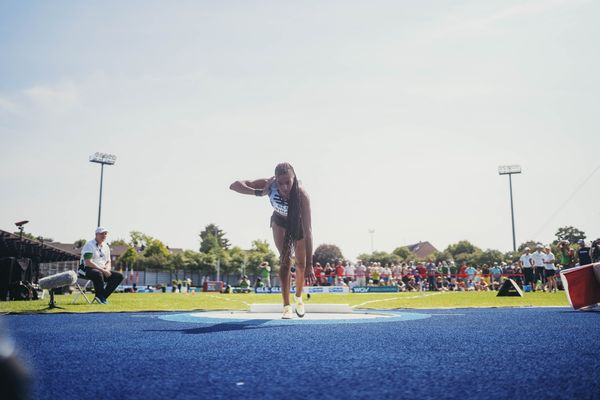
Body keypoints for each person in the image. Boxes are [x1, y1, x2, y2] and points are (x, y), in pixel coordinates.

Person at [230, 162, 315, 319]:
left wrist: (310, 264)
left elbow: (308, 230)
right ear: (276, 180)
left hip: (298, 226)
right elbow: (234, 186)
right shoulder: (271, 185)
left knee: (301, 265)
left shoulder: (302, 195)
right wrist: (259, 192)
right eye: (280, 183)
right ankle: (286, 306)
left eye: (288, 182)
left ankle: (298, 297)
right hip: (280, 222)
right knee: (285, 262)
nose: (284, 188)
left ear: (294, 178)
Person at [78, 227, 123, 304]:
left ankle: (102, 297)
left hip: (101, 270)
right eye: (102, 233)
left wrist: (107, 270)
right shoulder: (89, 245)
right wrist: (103, 271)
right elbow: (88, 262)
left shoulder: (106, 246)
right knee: (98, 273)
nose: (104, 235)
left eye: (105, 234)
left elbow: (108, 261)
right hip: (86, 269)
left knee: (119, 276)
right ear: (96, 234)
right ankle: (100, 296)